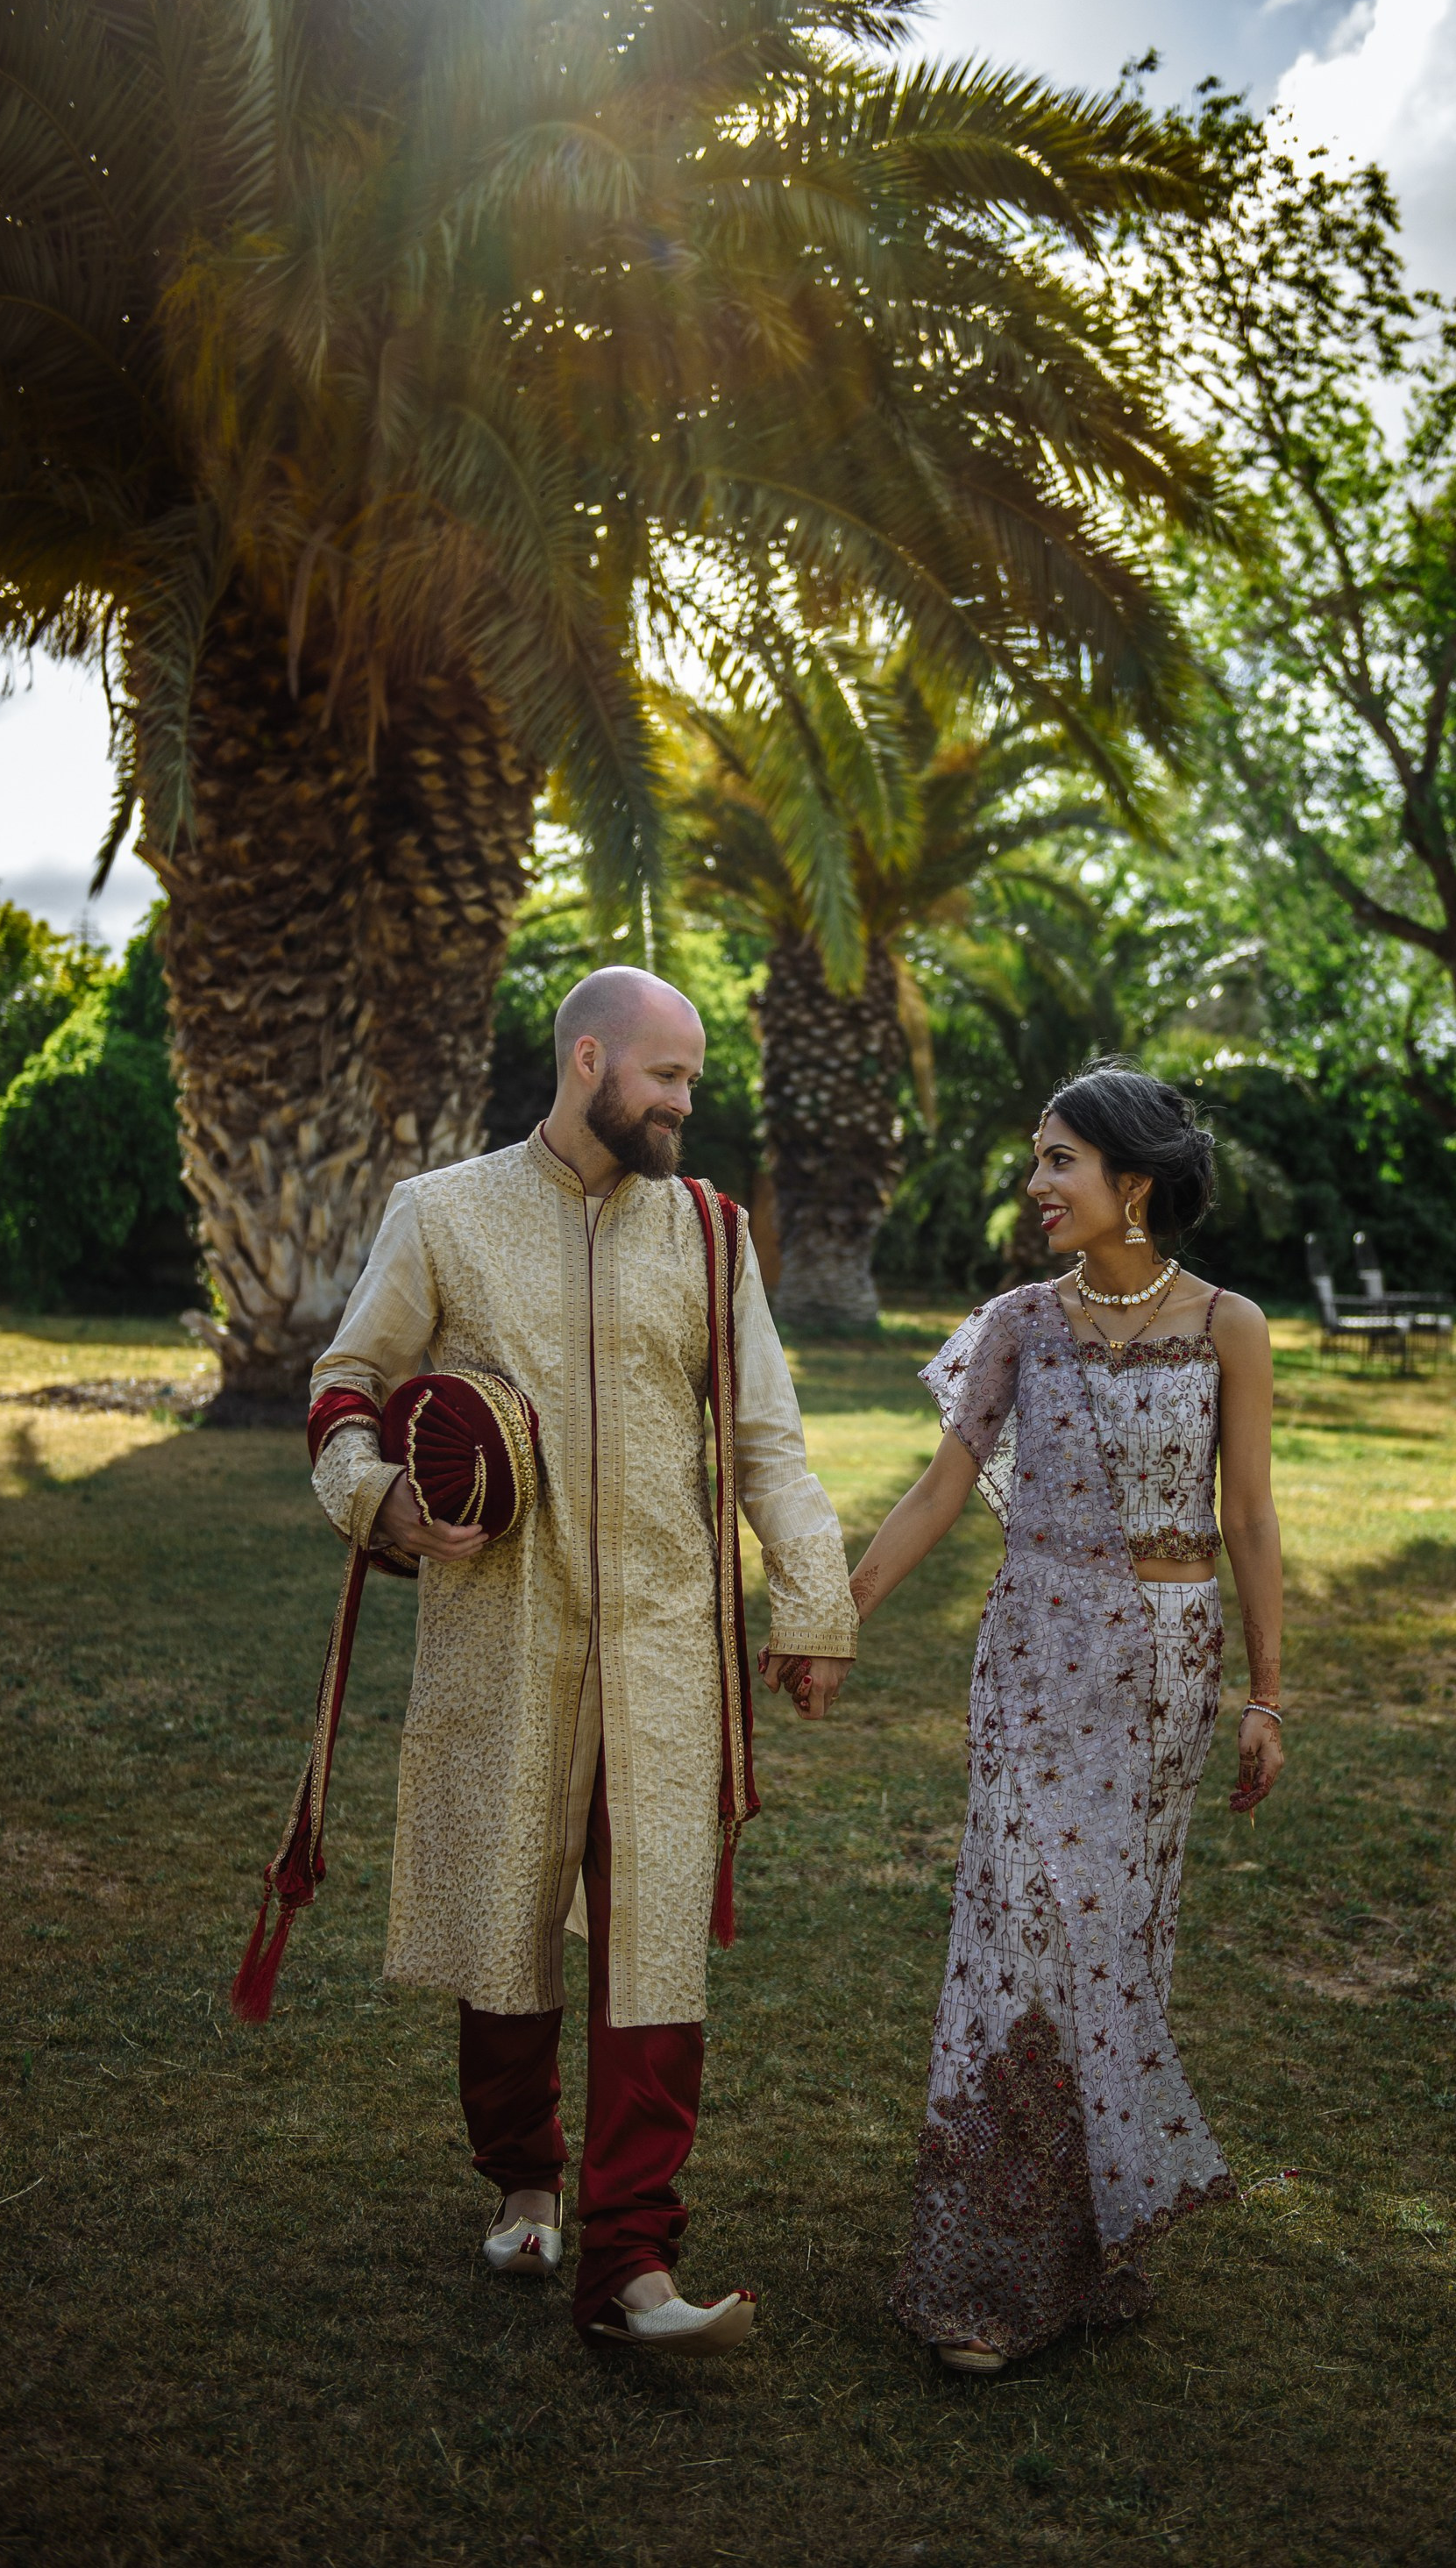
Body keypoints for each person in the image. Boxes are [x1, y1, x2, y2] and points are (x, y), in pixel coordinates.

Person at [307, 967, 857, 2355]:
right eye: (667, 1077)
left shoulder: (712, 1231)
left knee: (655, 1940)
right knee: (508, 1918)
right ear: (590, 1060)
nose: (685, 1103)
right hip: (504, 1629)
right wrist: (376, 1497)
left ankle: (633, 2261)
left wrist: (812, 1603)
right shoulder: (441, 1213)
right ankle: (523, 2175)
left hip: (670, 1649)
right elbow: (346, 1384)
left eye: (693, 1081)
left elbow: (768, 1442)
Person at [848, 1061, 1284, 2374]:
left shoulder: (1229, 1325)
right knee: (1020, 1933)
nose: (1035, 1186)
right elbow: (938, 1492)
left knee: (1116, 1946)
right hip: (1037, 1657)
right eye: (1036, 1161)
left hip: (1164, 1674)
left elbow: (1250, 1515)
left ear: (1130, 1183)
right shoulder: (1016, 1326)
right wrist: (838, 1609)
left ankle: (1083, 2250)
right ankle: (987, 2270)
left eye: (1058, 1162)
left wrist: (1269, 1694)